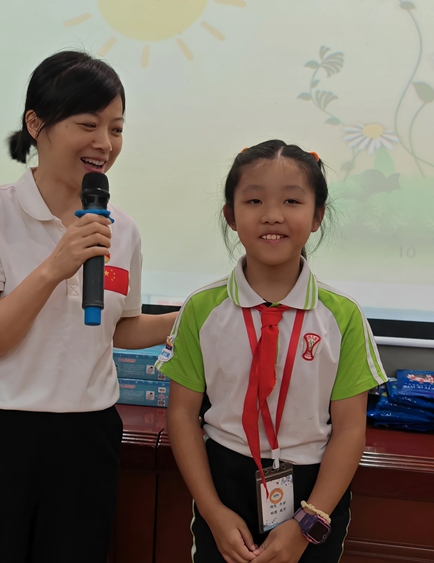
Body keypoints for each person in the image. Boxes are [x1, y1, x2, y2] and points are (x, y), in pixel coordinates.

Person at [0, 50, 176, 562]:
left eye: (116, 128)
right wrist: (54, 267)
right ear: (36, 124)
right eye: (88, 124)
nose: (104, 143)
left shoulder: (121, 228)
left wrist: (187, 319)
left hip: (88, 434)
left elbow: (117, 328)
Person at [158, 140, 387, 563]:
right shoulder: (202, 309)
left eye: (291, 201)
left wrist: (309, 521)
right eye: (254, 200)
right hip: (223, 481)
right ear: (230, 215)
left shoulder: (343, 316)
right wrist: (212, 511)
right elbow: (182, 415)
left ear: (317, 216)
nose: (272, 215)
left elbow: (350, 430)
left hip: (314, 489)